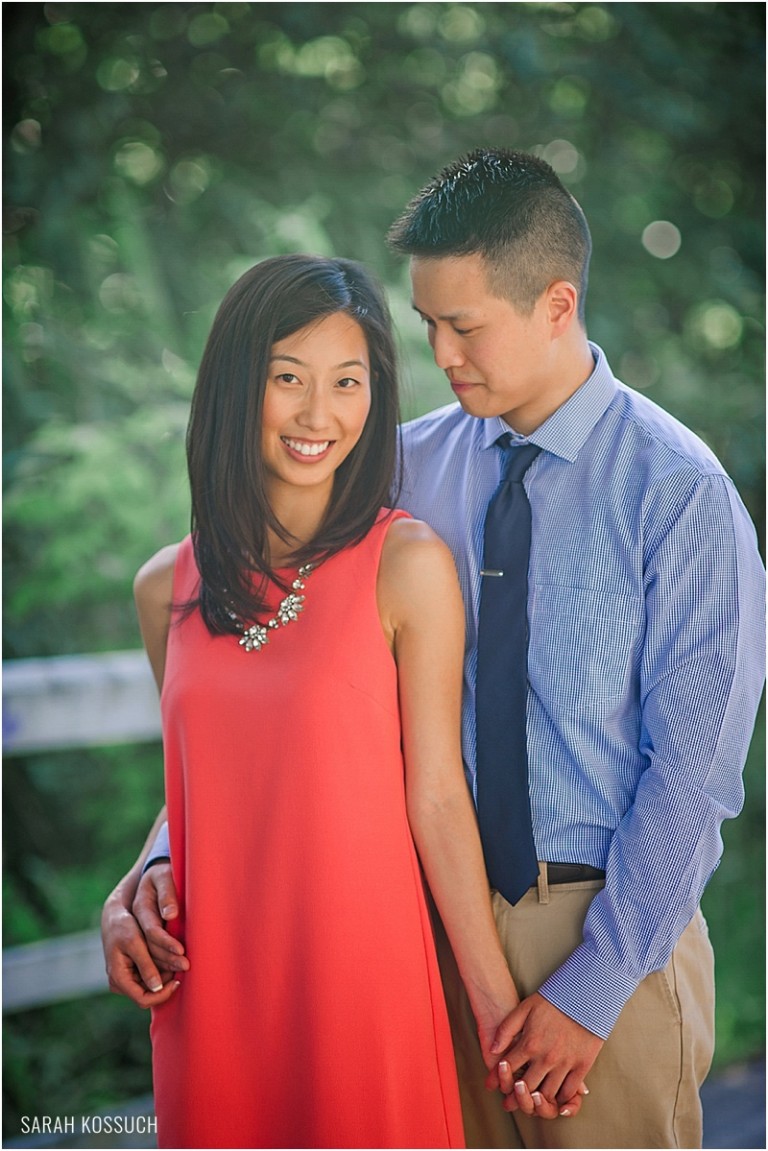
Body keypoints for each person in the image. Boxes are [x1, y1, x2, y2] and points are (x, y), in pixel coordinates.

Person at [104, 150, 765, 1147]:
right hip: (418, 934)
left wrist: (592, 985)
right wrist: (160, 859)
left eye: (466, 326)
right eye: (428, 327)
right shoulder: (397, 466)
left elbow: (694, 775)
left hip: (595, 928)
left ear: (555, 303)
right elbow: (255, 684)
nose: (444, 355)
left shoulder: (675, 491)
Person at [106, 252, 533, 1149]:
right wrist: (141, 876)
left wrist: (499, 1009)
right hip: (212, 994)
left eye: (348, 382)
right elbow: (199, 787)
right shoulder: (164, 589)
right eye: (287, 379)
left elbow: (437, 794)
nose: (318, 415)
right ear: (234, 388)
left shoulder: (407, 565)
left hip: (358, 995)